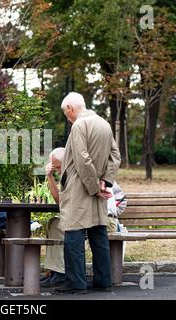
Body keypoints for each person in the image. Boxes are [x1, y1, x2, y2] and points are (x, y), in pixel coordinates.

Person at [57, 92, 121, 294]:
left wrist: (94, 188)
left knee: (73, 234)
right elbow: (115, 156)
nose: (68, 118)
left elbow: (82, 159)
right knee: (98, 233)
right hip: (97, 187)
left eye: (66, 114)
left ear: (71, 108)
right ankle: (103, 282)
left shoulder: (78, 125)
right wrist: (105, 182)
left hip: (79, 188)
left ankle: (76, 283)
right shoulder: (104, 123)